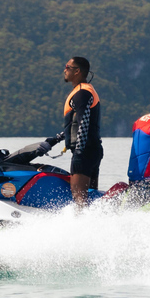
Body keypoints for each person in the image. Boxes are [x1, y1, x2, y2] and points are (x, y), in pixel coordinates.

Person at [62, 57, 103, 206]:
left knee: (79, 197)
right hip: (91, 150)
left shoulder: (82, 93)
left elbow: (83, 123)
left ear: (77, 71)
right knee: (90, 196)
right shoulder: (83, 91)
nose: (64, 70)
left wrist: (79, 152)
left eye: (67, 67)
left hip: (85, 151)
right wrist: (54, 140)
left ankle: (82, 227)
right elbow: (76, 123)